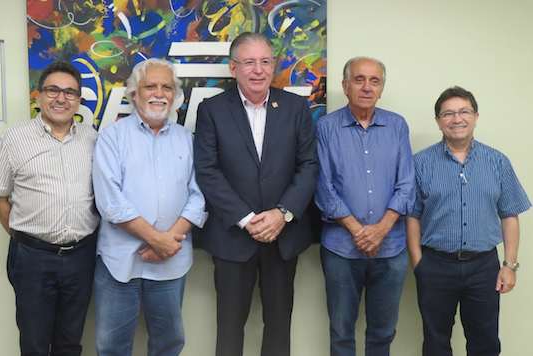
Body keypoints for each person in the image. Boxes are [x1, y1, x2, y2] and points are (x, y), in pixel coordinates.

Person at [193, 32, 319, 356]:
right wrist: (247, 219)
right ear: (233, 67)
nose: (258, 70)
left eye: (265, 61)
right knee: (230, 329)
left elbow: (309, 166)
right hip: (234, 239)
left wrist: (282, 214)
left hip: (283, 236)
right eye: (249, 62)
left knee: (279, 328)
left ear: (274, 65)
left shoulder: (295, 107)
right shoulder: (212, 110)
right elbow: (207, 171)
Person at [92, 58, 207, 356]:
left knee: (168, 344)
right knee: (112, 347)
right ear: (134, 94)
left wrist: (168, 242)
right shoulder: (112, 137)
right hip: (119, 263)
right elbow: (110, 202)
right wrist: (158, 240)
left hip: (172, 260)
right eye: (150, 86)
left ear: (175, 95)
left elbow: (200, 196)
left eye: (166, 87)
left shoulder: (188, 140)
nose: (159, 93)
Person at [406, 86, 531, 356]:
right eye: (448, 113)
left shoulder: (498, 162)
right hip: (436, 265)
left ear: (476, 116)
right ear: (438, 121)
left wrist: (510, 265)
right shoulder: (420, 164)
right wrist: (419, 264)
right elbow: (412, 217)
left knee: (485, 341)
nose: (457, 119)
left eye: (464, 111)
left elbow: (509, 214)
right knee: (436, 342)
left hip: (484, 267)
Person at [0, 61, 99, 356]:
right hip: (33, 259)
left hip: (81, 256)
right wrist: (27, 236)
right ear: (38, 96)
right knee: (34, 343)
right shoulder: (14, 140)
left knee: (70, 341)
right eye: (53, 90)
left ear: (77, 101)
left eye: (70, 93)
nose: (61, 98)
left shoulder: (93, 139)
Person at [315, 57, 415, 356]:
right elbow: (322, 185)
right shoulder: (326, 126)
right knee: (341, 333)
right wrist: (360, 232)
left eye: (374, 81)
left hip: (391, 249)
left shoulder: (397, 126)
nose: (367, 87)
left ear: (382, 88)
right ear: (345, 86)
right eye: (359, 80)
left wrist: (381, 230)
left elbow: (407, 183)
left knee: (383, 334)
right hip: (341, 250)